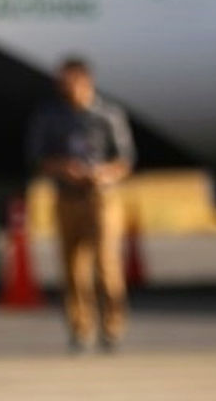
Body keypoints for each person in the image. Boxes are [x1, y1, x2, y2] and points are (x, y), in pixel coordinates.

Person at [26, 58, 136, 353]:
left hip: (101, 198)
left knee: (107, 265)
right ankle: (81, 328)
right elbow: (37, 158)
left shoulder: (108, 115)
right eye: (63, 82)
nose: (67, 88)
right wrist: (64, 169)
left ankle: (113, 326)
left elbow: (125, 159)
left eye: (72, 82)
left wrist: (104, 173)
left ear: (86, 81)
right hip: (67, 197)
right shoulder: (51, 117)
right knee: (74, 268)